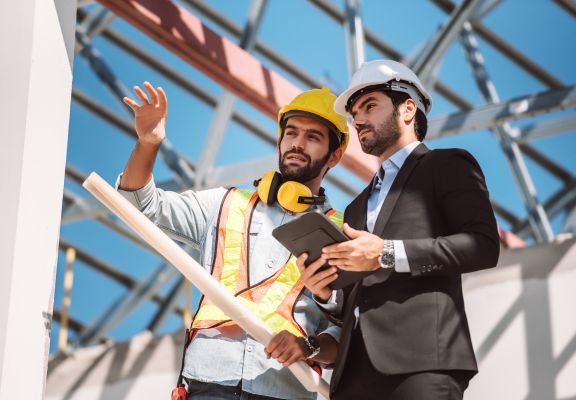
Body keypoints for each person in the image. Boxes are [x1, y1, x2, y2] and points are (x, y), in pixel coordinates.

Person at [117, 82, 350, 400]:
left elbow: (346, 333)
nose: (297, 143)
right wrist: (148, 143)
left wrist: (308, 346)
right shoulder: (224, 204)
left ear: (334, 155)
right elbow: (136, 208)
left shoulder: (342, 234)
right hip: (207, 382)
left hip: (284, 389)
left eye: (313, 137)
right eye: (291, 133)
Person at [299, 60, 500, 399]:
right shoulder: (356, 206)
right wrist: (325, 293)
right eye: (353, 114)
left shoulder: (446, 165)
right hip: (352, 379)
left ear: (408, 109)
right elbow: (353, 298)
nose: (358, 120)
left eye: (369, 106)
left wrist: (386, 253)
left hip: (422, 365)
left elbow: (482, 246)